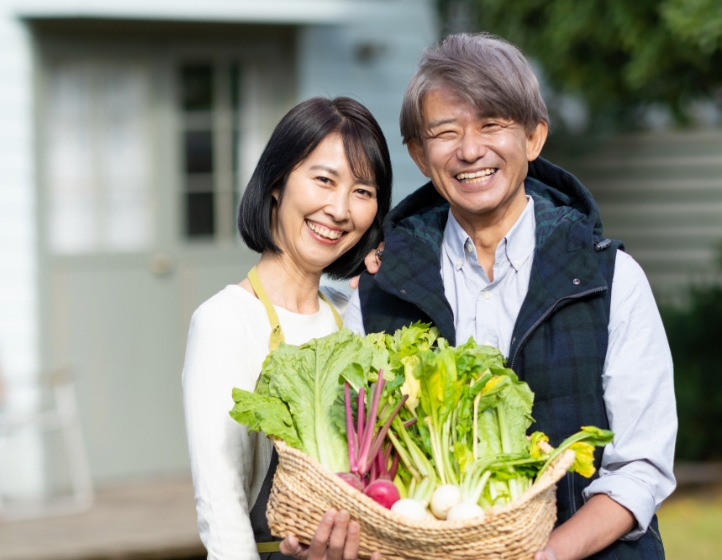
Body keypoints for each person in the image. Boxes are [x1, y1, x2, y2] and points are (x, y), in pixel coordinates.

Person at [344, 33, 676, 560]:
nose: (470, 150)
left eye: (492, 125)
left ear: (534, 138)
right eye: (445, 132)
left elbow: (641, 467)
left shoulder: (610, 278)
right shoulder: (380, 290)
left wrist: (544, 555)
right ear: (419, 155)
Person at [182, 97, 392, 560]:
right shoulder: (226, 320)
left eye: (363, 191)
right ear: (276, 183)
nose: (339, 210)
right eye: (324, 180)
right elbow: (222, 510)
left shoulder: (353, 310)